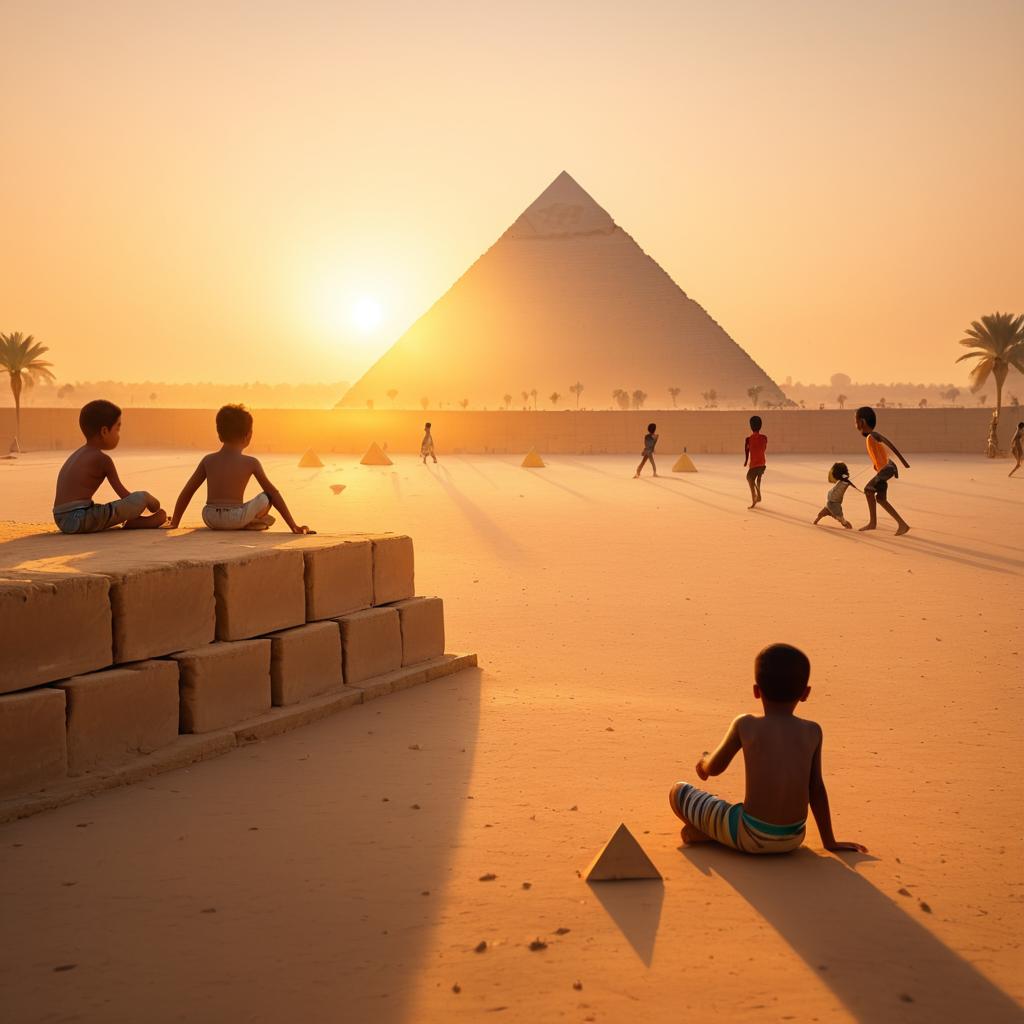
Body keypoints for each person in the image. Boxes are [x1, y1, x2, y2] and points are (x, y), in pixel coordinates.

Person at [669, 643, 866, 855]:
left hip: (750, 834)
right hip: (794, 838)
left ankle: (710, 835)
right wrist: (830, 842)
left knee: (678, 792)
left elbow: (714, 768)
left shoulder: (745, 725)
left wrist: (704, 762)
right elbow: (816, 789)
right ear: (805, 693)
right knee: (735, 814)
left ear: (756, 691)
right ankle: (712, 834)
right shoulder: (813, 731)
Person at [167, 404, 312, 533]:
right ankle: (247, 522)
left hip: (210, 517)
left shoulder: (208, 460)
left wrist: (175, 522)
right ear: (248, 436)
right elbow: (273, 493)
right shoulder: (251, 462)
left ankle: (247, 523)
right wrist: (293, 526)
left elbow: (187, 491)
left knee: (261, 500)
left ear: (219, 435)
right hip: (236, 517)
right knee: (267, 496)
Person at [52, 400, 166, 534]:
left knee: (105, 510)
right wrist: (148, 503)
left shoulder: (79, 453)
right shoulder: (103, 460)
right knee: (141, 497)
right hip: (77, 519)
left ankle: (135, 521)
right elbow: (125, 496)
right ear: (105, 431)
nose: (119, 435)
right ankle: (142, 518)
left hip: (61, 517)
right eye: (117, 429)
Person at [855, 406, 910, 535]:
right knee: (880, 498)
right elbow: (884, 449)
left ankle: (873, 523)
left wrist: (899, 463)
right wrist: (878, 465)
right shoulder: (873, 436)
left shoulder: (872, 437)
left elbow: (888, 445)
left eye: (856, 421)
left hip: (886, 469)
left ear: (862, 422)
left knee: (868, 490)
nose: (855, 424)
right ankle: (902, 524)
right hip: (886, 469)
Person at [813, 462, 856, 529]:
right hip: (829, 503)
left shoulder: (845, 481)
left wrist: (845, 478)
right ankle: (817, 521)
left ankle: (849, 528)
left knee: (842, 520)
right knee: (820, 515)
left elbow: (846, 478)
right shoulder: (841, 479)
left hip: (834, 504)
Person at [743, 415, 767, 508]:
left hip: (754, 464)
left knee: (749, 478)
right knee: (758, 478)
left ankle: (756, 497)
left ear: (751, 426)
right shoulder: (764, 437)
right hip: (762, 463)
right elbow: (764, 448)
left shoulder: (748, 439)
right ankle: (757, 496)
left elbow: (746, 451)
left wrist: (745, 461)